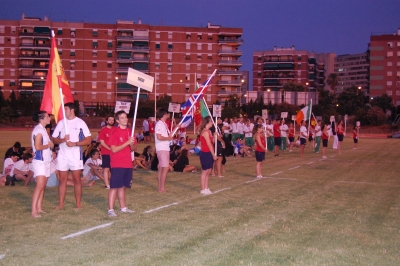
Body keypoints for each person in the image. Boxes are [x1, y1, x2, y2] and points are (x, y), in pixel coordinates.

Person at [52, 102, 92, 210]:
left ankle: (78, 203)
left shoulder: (80, 123)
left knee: (77, 180)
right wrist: (62, 140)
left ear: (72, 110)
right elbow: (53, 138)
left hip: (75, 156)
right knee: (62, 180)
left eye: (65, 109)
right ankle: (60, 204)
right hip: (62, 155)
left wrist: (75, 143)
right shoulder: (61, 123)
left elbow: (88, 139)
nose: (64, 111)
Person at [107, 110, 136, 217]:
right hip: (117, 163)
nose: (125, 119)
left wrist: (131, 144)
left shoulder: (130, 132)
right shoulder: (115, 132)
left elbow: (133, 149)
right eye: (122, 118)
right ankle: (110, 209)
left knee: (123, 186)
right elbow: (114, 149)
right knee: (114, 186)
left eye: (126, 117)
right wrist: (127, 142)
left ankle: (123, 207)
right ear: (118, 121)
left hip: (127, 163)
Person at [31, 111, 54, 218]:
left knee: (42, 186)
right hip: (40, 161)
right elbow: (38, 146)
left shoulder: (43, 129)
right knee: (40, 185)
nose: (49, 118)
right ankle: (33, 210)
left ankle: (39, 208)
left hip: (46, 160)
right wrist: (48, 145)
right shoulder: (39, 130)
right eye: (47, 116)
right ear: (42, 118)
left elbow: (49, 144)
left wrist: (51, 147)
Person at [155, 109, 178, 193]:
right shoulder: (159, 124)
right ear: (164, 114)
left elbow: (169, 135)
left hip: (165, 147)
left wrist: (176, 127)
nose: (169, 115)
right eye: (168, 114)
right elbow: (159, 137)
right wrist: (168, 138)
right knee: (165, 168)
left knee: (162, 167)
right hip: (162, 148)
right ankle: (162, 188)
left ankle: (160, 187)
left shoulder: (163, 124)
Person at [199, 116, 217, 195]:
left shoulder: (209, 131)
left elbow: (211, 142)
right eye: (211, 121)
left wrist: (214, 136)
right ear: (208, 122)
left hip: (209, 152)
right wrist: (214, 155)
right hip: (205, 153)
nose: (212, 123)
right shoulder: (205, 132)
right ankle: (203, 189)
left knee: (209, 171)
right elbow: (209, 144)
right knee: (205, 171)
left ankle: (206, 187)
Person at [97, 115, 114, 189]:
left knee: (114, 168)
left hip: (115, 152)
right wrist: (110, 149)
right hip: (106, 152)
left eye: (112, 120)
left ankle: (114, 183)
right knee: (106, 168)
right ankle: (107, 185)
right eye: (110, 120)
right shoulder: (103, 130)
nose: (111, 121)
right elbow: (102, 142)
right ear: (107, 121)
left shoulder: (115, 129)